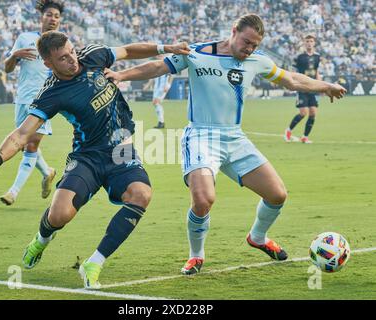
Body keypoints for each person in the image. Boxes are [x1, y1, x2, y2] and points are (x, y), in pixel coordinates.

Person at [105, 14, 346, 275]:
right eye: (246, 42)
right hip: (200, 136)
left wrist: (325, 86)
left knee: (277, 195)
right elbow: (157, 67)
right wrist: (122, 75)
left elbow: (292, 79)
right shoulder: (195, 52)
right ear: (233, 31)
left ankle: (258, 237)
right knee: (203, 198)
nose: (249, 49)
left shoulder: (257, 61)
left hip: (234, 137)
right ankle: (196, 256)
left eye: (255, 45)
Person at [0, 30, 190, 289]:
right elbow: (21, 135)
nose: (73, 60)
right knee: (59, 215)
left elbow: (127, 50)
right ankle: (41, 239)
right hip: (87, 157)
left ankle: (94, 262)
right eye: (63, 58)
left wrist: (166, 46)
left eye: (72, 51)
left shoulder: (92, 55)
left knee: (141, 194)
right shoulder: (51, 93)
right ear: (47, 63)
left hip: (121, 148)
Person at [0, 0, 63, 205]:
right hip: (23, 99)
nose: (52, 19)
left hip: (45, 101)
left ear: (59, 20)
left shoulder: (61, 44)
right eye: (49, 15)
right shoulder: (25, 38)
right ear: (42, 17)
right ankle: (47, 171)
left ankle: (13, 192)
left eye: (56, 16)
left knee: (31, 144)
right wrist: (14, 55)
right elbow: (8, 69)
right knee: (23, 143)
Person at [284, 34, 321, 144]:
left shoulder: (317, 57)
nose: (309, 43)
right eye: (307, 41)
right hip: (302, 86)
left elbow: (317, 71)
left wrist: (319, 85)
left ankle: (305, 137)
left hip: (313, 87)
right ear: (304, 43)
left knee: (313, 113)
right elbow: (294, 72)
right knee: (303, 112)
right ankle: (288, 130)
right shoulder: (300, 57)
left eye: (311, 41)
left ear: (314, 43)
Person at [143, 57, 173, 128]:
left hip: (162, 87)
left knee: (156, 102)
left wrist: (168, 85)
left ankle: (161, 122)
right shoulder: (156, 65)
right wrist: (148, 85)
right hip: (157, 87)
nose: (158, 56)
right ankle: (160, 122)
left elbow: (171, 76)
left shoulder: (166, 64)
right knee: (155, 103)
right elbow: (153, 77)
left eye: (160, 55)